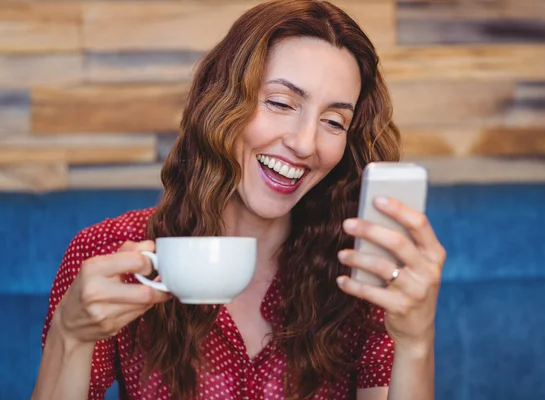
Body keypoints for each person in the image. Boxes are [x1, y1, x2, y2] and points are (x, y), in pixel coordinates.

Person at [32, 0, 446, 399]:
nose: (304, 144)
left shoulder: (361, 274)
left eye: (333, 122)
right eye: (281, 103)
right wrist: (69, 337)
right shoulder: (110, 254)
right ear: (221, 103)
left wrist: (415, 341)